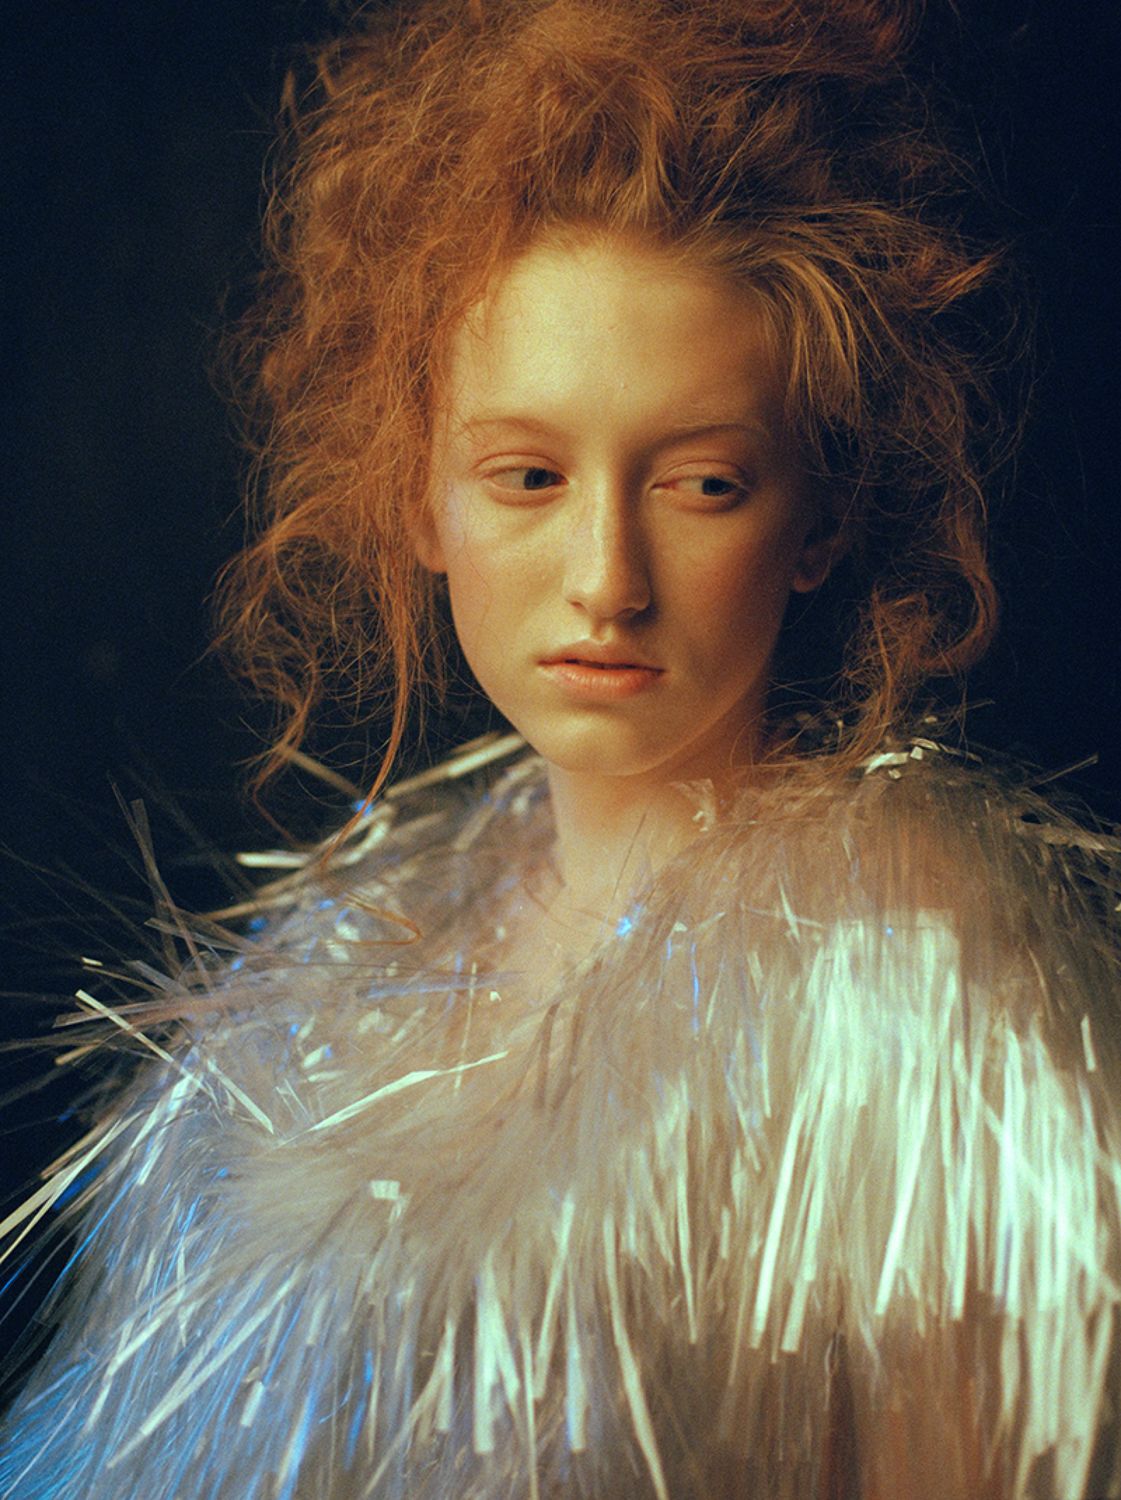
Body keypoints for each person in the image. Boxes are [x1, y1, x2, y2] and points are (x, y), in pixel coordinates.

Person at [1, 0, 1119, 1496]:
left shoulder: (905, 959)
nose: (606, 578)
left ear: (819, 518)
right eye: (526, 476)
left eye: (704, 483)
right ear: (420, 496)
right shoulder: (369, 928)